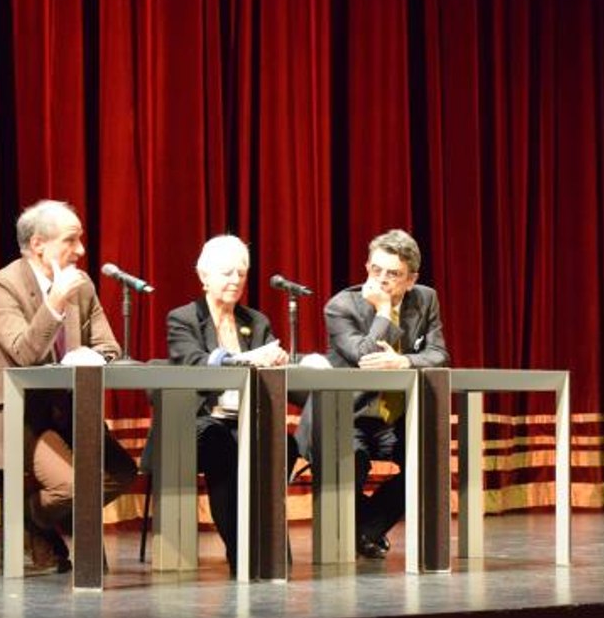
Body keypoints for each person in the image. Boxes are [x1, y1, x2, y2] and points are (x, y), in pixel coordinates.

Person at [0, 199, 137, 573]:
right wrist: (54, 302)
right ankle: (31, 518)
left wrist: (90, 356)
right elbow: (24, 353)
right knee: (74, 486)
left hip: (63, 407)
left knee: (120, 472)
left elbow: (108, 347)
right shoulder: (2, 287)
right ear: (39, 245)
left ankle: (31, 514)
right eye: (71, 241)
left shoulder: (81, 285)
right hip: (15, 412)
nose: (81, 251)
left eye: (81, 240)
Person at [312, 229, 449, 559]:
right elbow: (363, 357)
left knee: (429, 463)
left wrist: (404, 361)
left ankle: (365, 529)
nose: (383, 279)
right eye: (376, 270)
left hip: (395, 417)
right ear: (366, 267)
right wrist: (385, 311)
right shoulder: (341, 306)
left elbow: (439, 354)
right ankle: (363, 531)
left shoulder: (425, 298)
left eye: (394, 274)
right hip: (347, 416)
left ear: (411, 279)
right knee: (351, 461)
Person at [166, 234, 297, 572]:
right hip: (200, 420)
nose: (236, 280)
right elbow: (193, 363)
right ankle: (243, 553)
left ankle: (267, 543)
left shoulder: (256, 321)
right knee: (222, 445)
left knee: (286, 445)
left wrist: (277, 361)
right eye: (227, 273)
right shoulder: (183, 319)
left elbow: (269, 365)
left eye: (241, 273)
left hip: (248, 418)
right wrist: (247, 359)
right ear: (203, 275)